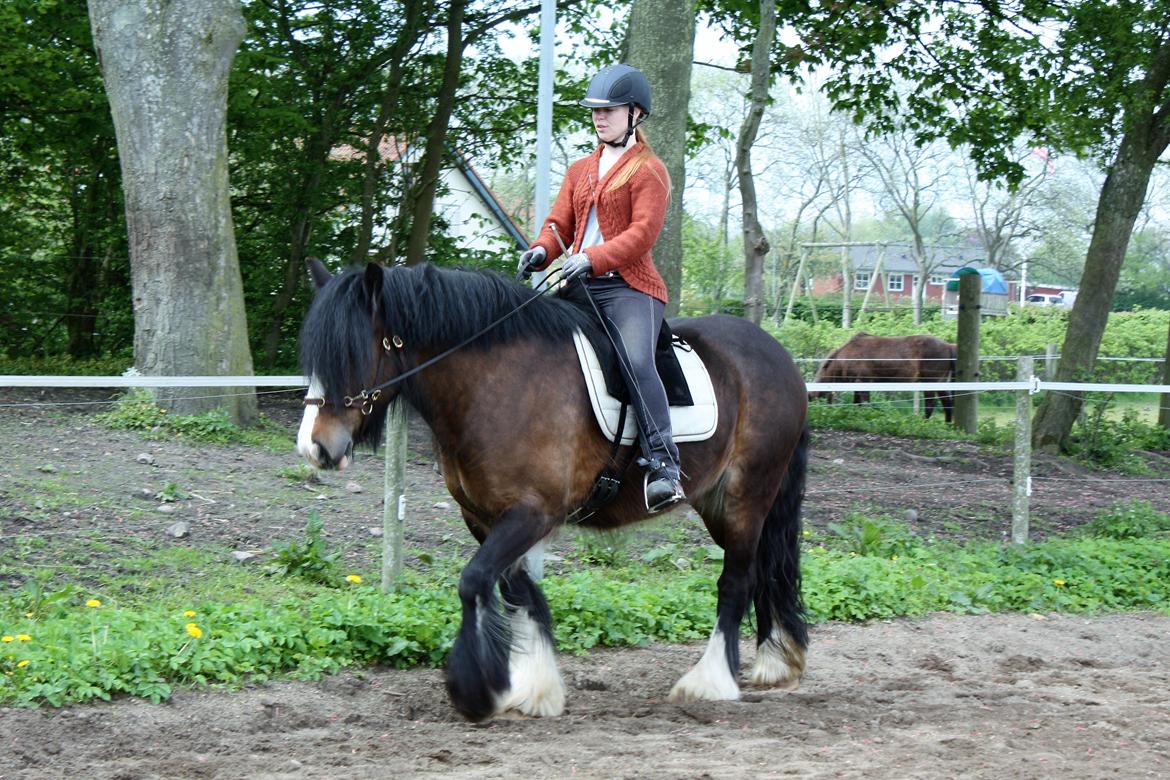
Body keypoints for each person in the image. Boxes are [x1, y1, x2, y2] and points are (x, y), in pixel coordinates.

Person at [518, 63, 684, 513]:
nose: (599, 117)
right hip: (579, 285)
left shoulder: (650, 171)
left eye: (609, 109)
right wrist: (541, 250)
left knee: (635, 360)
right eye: (595, 110)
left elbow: (641, 235)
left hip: (630, 288)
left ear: (635, 114)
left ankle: (664, 465)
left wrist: (592, 257)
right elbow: (558, 225)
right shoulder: (580, 169)